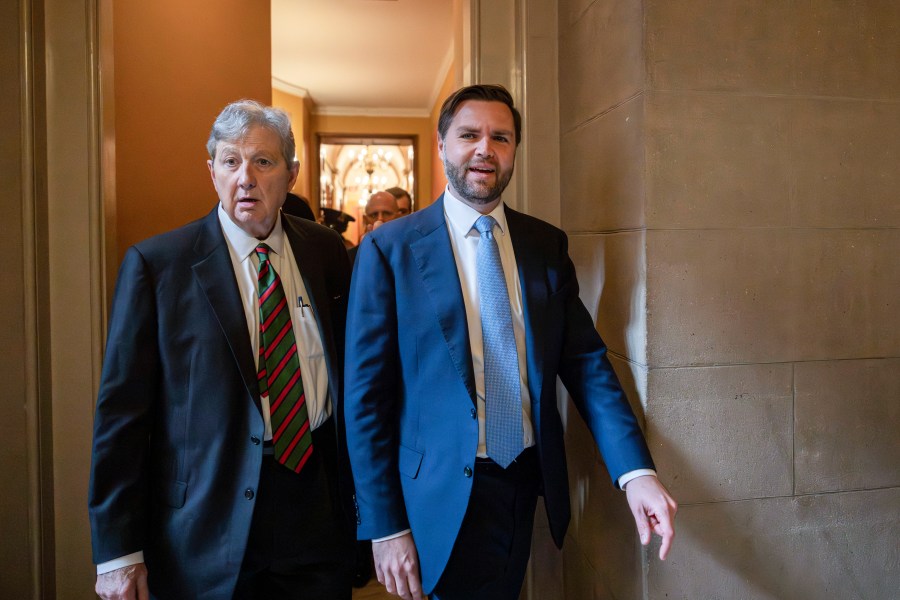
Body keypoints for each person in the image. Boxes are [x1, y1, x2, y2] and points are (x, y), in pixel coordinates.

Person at [344, 84, 677, 600]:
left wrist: (635, 472)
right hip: (435, 494)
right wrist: (386, 525)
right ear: (442, 144)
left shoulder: (545, 245)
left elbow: (586, 363)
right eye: (469, 134)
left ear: (514, 150)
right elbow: (364, 400)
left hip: (523, 481)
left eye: (500, 137)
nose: (485, 148)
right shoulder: (389, 250)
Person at [89, 100, 356, 600]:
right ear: (211, 172)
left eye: (263, 161)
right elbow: (121, 418)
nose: (246, 178)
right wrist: (118, 553)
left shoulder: (325, 253)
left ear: (292, 174)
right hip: (206, 525)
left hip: (316, 510)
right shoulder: (157, 265)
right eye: (230, 161)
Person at [348, 190, 400, 266]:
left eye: (387, 214)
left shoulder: (411, 255)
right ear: (365, 219)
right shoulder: (350, 259)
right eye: (374, 215)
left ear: (398, 217)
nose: (380, 219)